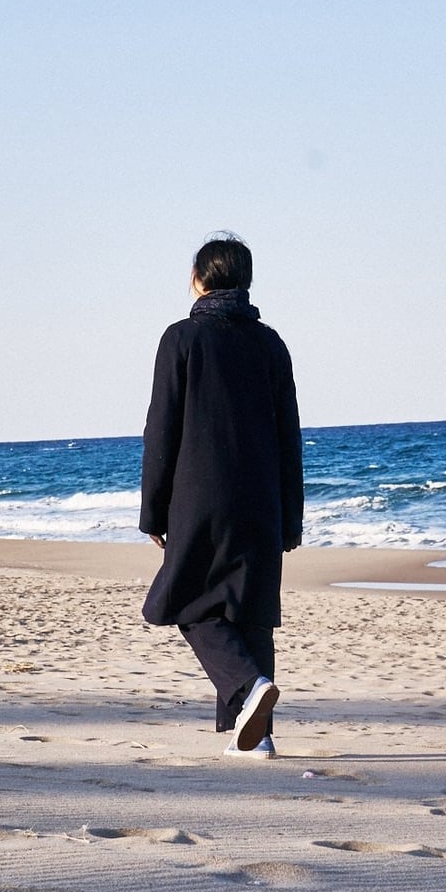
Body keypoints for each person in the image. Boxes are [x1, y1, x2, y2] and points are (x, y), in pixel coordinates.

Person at [140, 234, 304, 759]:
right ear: (245, 281)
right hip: (263, 500)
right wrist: (291, 518)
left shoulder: (182, 338)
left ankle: (249, 691)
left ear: (199, 279)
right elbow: (288, 437)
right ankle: (254, 737)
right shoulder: (271, 343)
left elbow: (161, 429)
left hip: (200, 497)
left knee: (187, 601)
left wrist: (153, 510)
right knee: (249, 612)